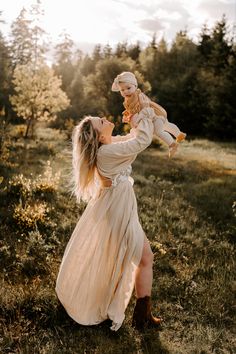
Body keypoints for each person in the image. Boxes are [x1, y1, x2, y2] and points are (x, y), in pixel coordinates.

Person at [55, 95, 162, 332]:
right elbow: (141, 141)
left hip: (120, 209)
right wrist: (142, 116)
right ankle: (140, 317)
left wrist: (136, 121)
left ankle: (142, 316)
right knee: (142, 258)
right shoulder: (106, 153)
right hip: (117, 211)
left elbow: (133, 137)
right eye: (100, 121)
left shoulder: (109, 144)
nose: (104, 118)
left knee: (142, 258)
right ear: (98, 136)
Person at [112, 71, 186, 157]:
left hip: (154, 115)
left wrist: (137, 119)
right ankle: (179, 134)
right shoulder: (128, 100)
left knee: (158, 131)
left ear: (135, 86)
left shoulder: (139, 96)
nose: (125, 92)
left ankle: (172, 145)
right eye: (122, 90)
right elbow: (132, 110)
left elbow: (143, 109)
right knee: (166, 125)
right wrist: (127, 114)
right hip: (152, 116)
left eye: (128, 88)